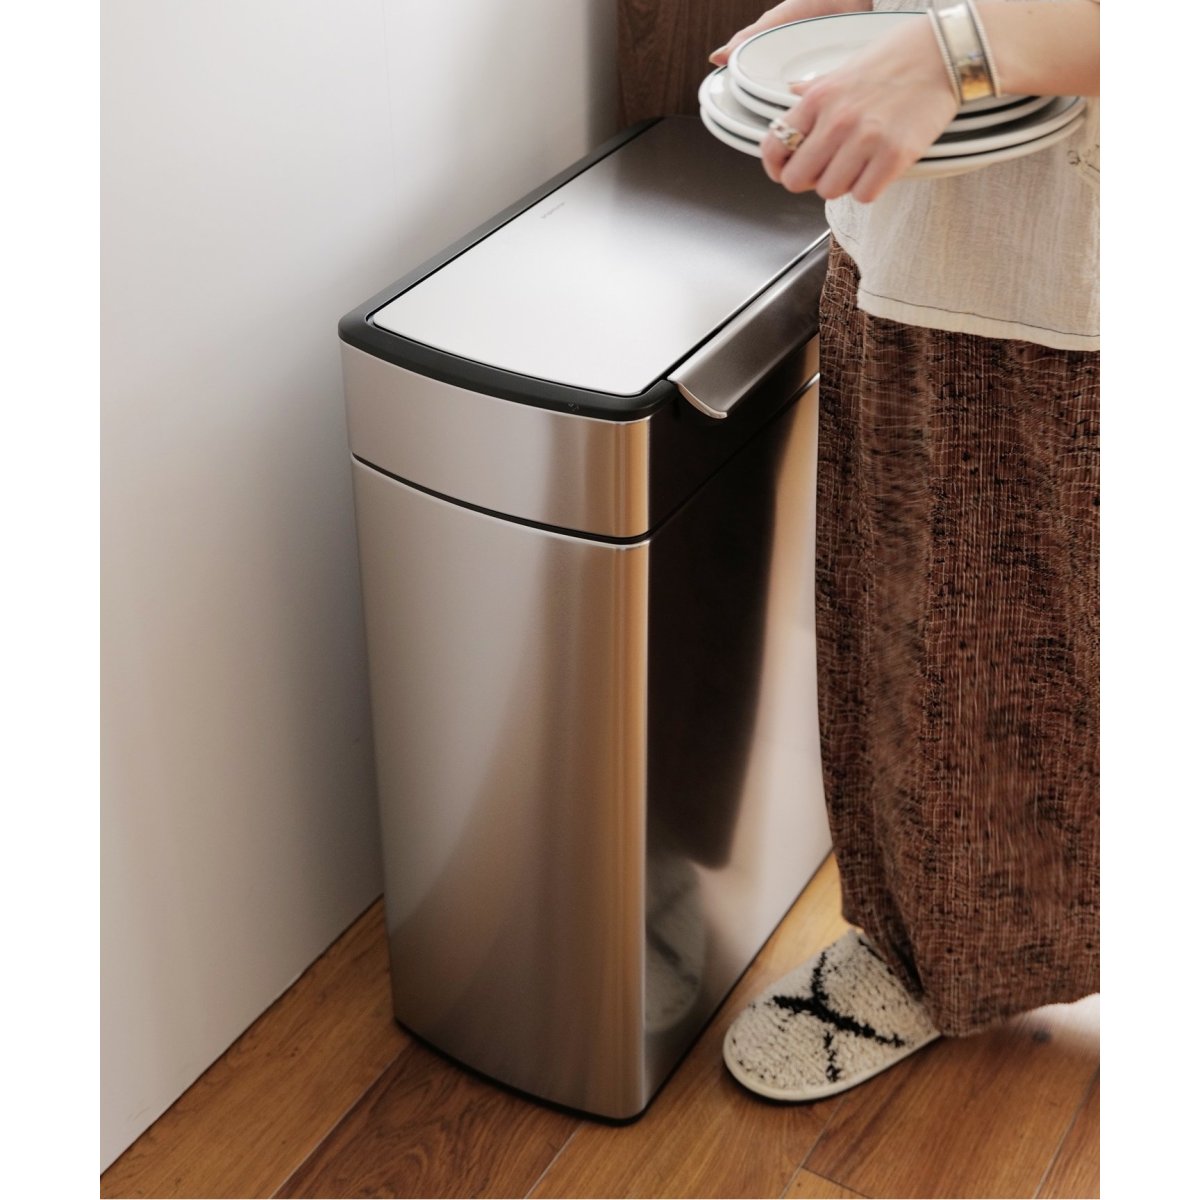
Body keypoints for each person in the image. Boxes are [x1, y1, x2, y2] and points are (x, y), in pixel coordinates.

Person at [708, 0, 1100, 1102]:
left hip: (1081, 267)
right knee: (928, 647)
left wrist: (949, 51)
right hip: (927, 229)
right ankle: (937, 948)